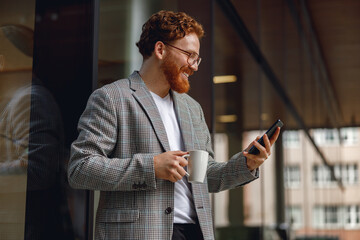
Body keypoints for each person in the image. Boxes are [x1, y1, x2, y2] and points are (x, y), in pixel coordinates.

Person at [68, 10, 280, 240]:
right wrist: (151, 167)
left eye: (197, 58)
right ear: (160, 50)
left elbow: (204, 175)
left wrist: (246, 164)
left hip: (195, 232)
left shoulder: (192, 109)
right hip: (139, 233)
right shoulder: (112, 98)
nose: (194, 66)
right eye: (189, 55)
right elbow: (81, 169)